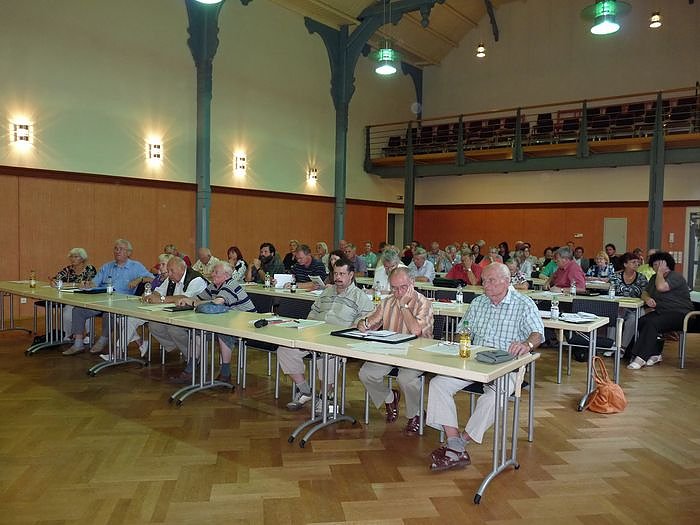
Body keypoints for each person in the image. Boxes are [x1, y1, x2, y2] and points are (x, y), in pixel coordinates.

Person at [426, 263, 544, 471]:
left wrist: (527, 344)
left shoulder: (523, 304)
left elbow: (538, 333)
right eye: (484, 281)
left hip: (506, 364)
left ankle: (460, 442)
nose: (485, 285)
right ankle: (453, 440)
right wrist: (458, 342)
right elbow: (464, 330)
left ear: (506, 281)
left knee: (493, 398)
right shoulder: (478, 302)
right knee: (438, 384)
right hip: (474, 361)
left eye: (491, 280)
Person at [280, 259, 374, 411]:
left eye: (342, 274)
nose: (338, 277)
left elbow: (363, 322)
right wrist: (307, 327)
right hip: (314, 335)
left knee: (327, 357)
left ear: (351, 275)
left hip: (337, 340)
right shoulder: (326, 292)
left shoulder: (360, 297)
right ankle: (305, 390)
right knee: (285, 350)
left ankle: (325, 397)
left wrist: (350, 330)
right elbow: (314, 311)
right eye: (335, 274)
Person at [357, 267, 434, 436]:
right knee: (366, 373)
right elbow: (370, 321)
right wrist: (364, 324)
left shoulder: (423, 303)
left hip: (418, 353)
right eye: (394, 288)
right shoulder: (387, 302)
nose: (398, 292)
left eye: (403, 287)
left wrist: (404, 306)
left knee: (405, 378)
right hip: (391, 351)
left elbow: (416, 331)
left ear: (412, 283)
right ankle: (390, 397)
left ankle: (416, 414)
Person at [62, 239, 153, 356]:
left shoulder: (136, 266)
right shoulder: (107, 266)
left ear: (129, 253)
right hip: (101, 300)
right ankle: (78, 343)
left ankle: (103, 340)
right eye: (116, 248)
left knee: (109, 313)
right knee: (78, 310)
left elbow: (153, 279)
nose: (117, 251)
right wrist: (88, 284)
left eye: (121, 249)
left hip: (121, 303)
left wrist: (140, 279)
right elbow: (95, 283)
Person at [176, 261, 256, 383]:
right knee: (198, 332)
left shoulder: (230, 285)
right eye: (213, 271)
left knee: (223, 332)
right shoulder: (214, 286)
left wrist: (194, 303)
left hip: (247, 324)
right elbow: (198, 298)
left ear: (226, 275)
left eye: (216, 272)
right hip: (228, 321)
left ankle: (225, 374)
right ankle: (190, 369)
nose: (212, 274)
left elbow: (217, 302)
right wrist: (186, 300)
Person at [142, 257, 209, 380]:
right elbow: (159, 291)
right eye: (168, 270)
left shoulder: (196, 279)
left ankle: (194, 357)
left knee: (174, 329)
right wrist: (152, 296)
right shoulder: (171, 278)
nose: (169, 274)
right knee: (154, 325)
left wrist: (161, 300)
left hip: (196, 316)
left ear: (182, 269)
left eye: (171, 270)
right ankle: (184, 350)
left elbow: (184, 298)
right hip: (177, 314)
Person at [627, 252, 693, 370]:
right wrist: (647, 298)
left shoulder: (675, 276)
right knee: (642, 321)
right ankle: (655, 354)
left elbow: (661, 287)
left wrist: (660, 273)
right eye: (654, 264)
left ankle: (641, 357)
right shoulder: (654, 278)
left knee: (653, 323)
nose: (656, 266)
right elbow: (644, 292)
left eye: (659, 264)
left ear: (667, 265)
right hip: (662, 312)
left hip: (682, 314)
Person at [51, 248, 97, 341]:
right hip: (71, 299)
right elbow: (56, 280)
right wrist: (55, 282)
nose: (73, 259)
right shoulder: (68, 270)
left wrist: (67, 284)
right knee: (67, 313)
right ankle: (68, 335)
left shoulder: (89, 269)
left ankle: (89, 334)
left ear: (82, 259)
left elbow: (87, 284)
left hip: (86, 299)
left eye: (76, 257)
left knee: (85, 310)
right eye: (71, 257)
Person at [608, 252, 648, 356]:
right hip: (619, 306)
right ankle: (611, 345)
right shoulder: (615, 277)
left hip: (635, 308)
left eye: (637, 262)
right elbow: (611, 292)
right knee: (614, 316)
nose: (636, 264)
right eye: (633, 262)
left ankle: (623, 347)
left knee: (633, 320)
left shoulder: (641, 278)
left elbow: (645, 293)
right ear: (625, 264)